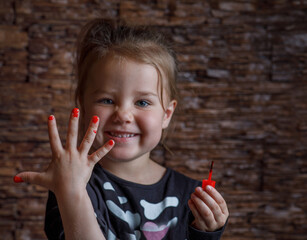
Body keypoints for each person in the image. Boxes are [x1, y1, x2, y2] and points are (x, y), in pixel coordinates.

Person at [14, 18, 229, 240]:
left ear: (166, 114)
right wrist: (72, 193)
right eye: (107, 100)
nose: (123, 115)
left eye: (142, 102)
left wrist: (205, 233)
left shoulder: (190, 196)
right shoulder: (73, 184)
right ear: (83, 105)